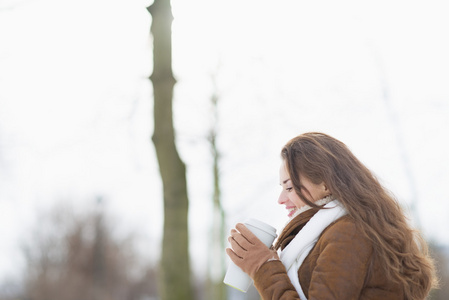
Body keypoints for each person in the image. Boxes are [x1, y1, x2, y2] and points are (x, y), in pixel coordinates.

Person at [226, 132, 438, 300]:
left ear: (326, 184)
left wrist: (263, 267)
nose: (281, 199)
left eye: (290, 187)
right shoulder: (335, 230)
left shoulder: (349, 233)